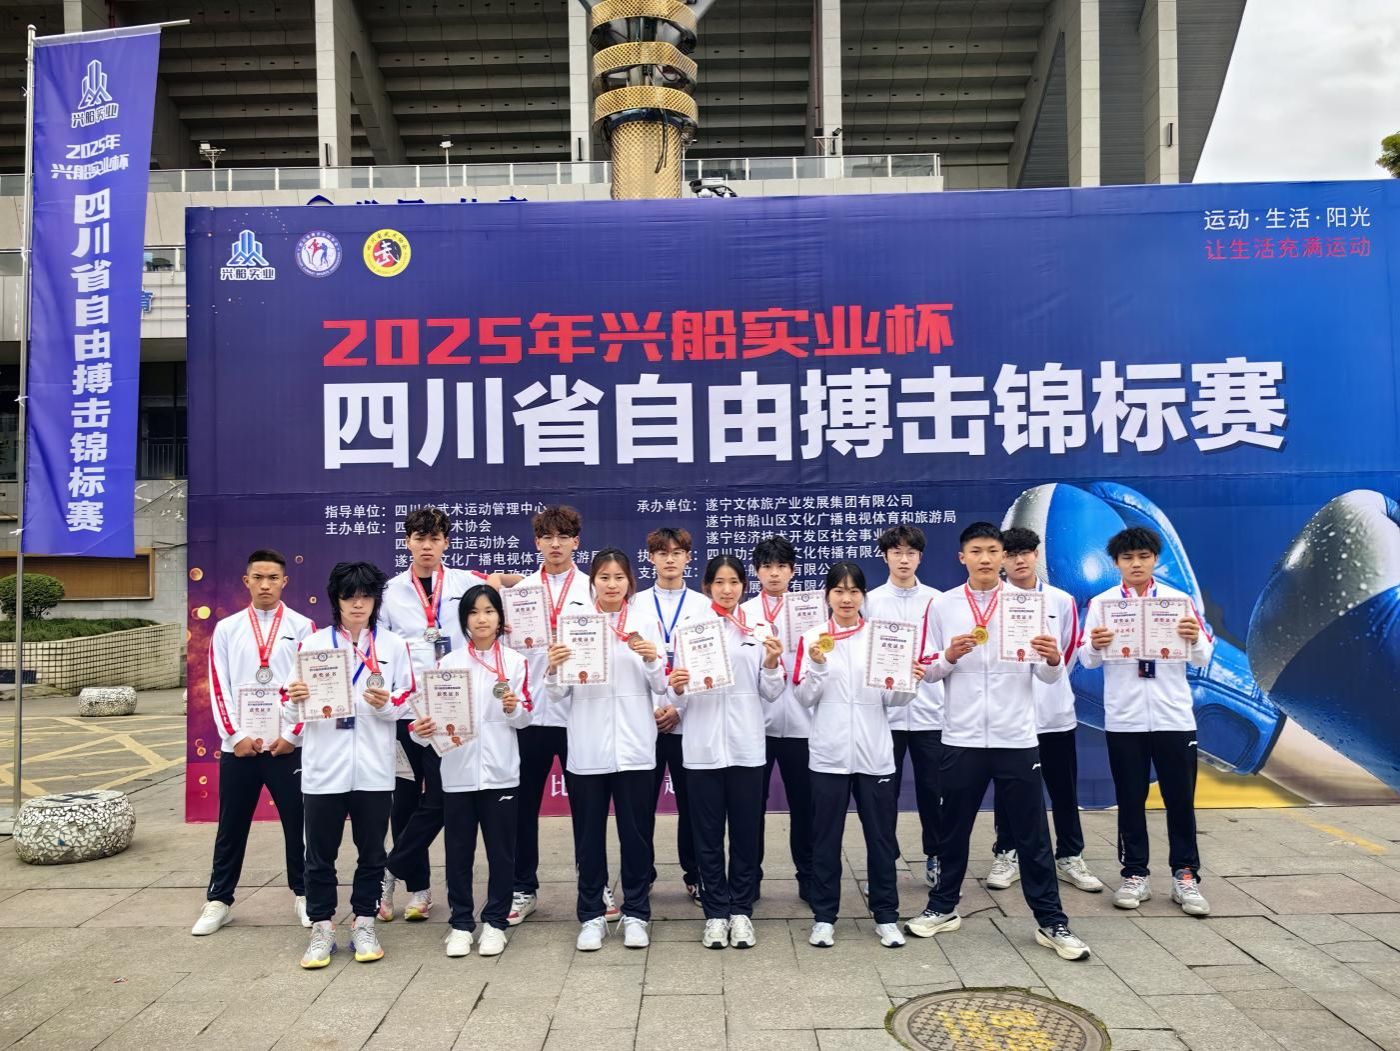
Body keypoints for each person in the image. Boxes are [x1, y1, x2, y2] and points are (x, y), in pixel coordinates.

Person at [907, 523, 1090, 961]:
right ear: (962, 557)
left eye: (993, 550)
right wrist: (949, 656)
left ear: (1004, 557)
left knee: (1032, 834)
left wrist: (1052, 659)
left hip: (1016, 736)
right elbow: (925, 668)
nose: (985, 558)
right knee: (953, 829)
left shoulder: (1028, 605)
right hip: (962, 736)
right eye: (976, 551)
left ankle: (1051, 920)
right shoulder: (942, 605)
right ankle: (942, 907)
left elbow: (1048, 674)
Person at [284, 562, 416, 968]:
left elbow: (408, 698)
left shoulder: (393, 645)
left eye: (365, 596)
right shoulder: (312, 645)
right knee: (319, 855)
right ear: (336, 600)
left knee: (372, 852)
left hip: (374, 769)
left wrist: (387, 704)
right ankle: (322, 927)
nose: (358, 604)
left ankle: (364, 923)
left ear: (376, 600)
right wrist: (295, 699)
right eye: (349, 597)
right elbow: (289, 709)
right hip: (324, 768)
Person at [1079, 525, 1214, 916]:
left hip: (1174, 717)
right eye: (1127, 558)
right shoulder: (1103, 604)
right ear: (1116, 563)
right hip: (1125, 719)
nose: (1135, 564)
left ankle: (1185, 875)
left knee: (1180, 800)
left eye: (1143, 557)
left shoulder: (1178, 601)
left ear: (1155, 559)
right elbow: (1086, 659)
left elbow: (1203, 657)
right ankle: (1134, 874)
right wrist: (1096, 645)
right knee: (1130, 799)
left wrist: (1194, 637)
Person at [794, 561, 923, 950]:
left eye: (853, 591)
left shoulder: (881, 638)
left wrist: (908, 681)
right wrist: (818, 666)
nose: (846, 598)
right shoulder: (813, 638)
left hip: (874, 754)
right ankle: (823, 918)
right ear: (827, 596)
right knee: (825, 839)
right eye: (839, 591)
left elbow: (893, 700)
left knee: (881, 838)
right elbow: (804, 697)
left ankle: (886, 917)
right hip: (828, 755)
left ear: (863, 596)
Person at [378, 506, 498, 923]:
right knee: (405, 801)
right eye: (419, 538)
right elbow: (380, 650)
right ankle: (419, 889)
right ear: (407, 542)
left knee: (444, 798)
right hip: (406, 711)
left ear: (446, 542)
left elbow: (502, 590)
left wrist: (512, 581)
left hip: (451, 711)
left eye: (434, 539)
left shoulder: (465, 583)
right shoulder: (390, 592)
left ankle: (389, 868)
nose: (426, 546)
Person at [544, 548, 669, 950]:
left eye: (619, 577)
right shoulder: (575, 625)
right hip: (588, 748)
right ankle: (591, 916)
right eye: (604, 577)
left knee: (636, 837)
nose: (612, 585)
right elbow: (557, 694)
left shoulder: (645, 622)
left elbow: (662, 686)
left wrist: (653, 660)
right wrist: (553, 668)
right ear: (593, 582)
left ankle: (637, 914)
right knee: (588, 839)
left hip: (635, 748)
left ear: (629, 581)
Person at [192, 549, 316, 937]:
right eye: (258, 578)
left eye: (273, 578)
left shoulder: (304, 627)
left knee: (299, 823)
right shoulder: (227, 629)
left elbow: (310, 686)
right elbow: (219, 686)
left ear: (285, 582)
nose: (265, 585)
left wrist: (292, 736)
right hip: (241, 748)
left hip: (286, 747)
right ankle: (219, 900)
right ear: (246, 581)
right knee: (231, 825)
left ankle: (305, 894)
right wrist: (235, 736)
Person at [671, 555, 786, 949]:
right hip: (702, 747)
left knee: (744, 833)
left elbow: (771, 692)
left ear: (743, 586)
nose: (726, 589)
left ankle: (741, 911)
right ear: (707, 587)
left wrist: (772, 663)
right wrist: (677, 685)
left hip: (746, 746)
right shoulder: (690, 628)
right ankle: (715, 913)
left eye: (733, 582)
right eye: (719, 582)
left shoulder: (759, 628)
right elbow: (678, 697)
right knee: (706, 835)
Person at [411, 584, 532, 958]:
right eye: (474, 612)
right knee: (458, 853)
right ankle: (461, 923)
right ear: (464, 619)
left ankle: (495, 922)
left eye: (489, 611)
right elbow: (422, 724)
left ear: (499, 618)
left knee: (502, 853)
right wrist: (420, 730)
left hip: (500, 773)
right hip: (458, 774)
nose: (482, 619)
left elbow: (526, 718)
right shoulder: (446, 666)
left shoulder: (515, 663)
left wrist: (513, 708)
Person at [989, 527, 1104, 894]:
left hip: (1054, 713)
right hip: (1010, 715)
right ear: (1002, 560)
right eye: (1011, 554)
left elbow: (1067, 656)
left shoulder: (1061, 600)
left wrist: (1046, 669)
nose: (1019, 560)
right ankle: (1006, 852)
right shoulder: (993, 602)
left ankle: (1070, 854)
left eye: (1025, 552)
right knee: (1009, 789)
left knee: (1063, 787)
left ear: (1036, 554)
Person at [509, 505, 598, 926]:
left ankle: (594, 884)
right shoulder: (521, 594)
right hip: (531, 715)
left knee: (588, 807)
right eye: (548, 537)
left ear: (576, 541)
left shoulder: (594, 588)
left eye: (564, 536)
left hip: (579, 713)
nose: (556, 544)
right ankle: (522, 886)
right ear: (537, 542)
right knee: (523, 807)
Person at [865, 524, 944, 891]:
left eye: (910, 553)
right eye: (896, 552)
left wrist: (928, 666)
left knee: (934, 791)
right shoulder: (870, 602)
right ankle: (884, 863)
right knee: (884, 795)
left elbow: (946, 654)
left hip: (931, 712)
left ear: (920, 557)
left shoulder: (938, 601)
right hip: (886, 714)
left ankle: (936, 856)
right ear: (885, 557)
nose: (903, 559)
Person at [631, 526, 708, 905]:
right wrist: (651, 710)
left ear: (688, 558)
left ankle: (695, 874)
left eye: (677, 553)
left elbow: (709, 666)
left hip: (687, 718)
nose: (670, 559)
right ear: (651, 558)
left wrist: (678, 708)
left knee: (692, 805)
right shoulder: (634, 604)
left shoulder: (704, 606)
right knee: (640, 805)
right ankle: (641, 875)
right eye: (662, 553)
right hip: (643, 720)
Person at [740, 535, 813, 904]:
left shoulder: (810, 611)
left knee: (806, 807)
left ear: (792, 571)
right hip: (757, 726)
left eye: (781, 566)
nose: (774, 573)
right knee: (752, 808)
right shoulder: (744, 615)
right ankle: (749, 880)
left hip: (803, 724)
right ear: (756, 572)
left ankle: (809, 878)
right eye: (767, 566)